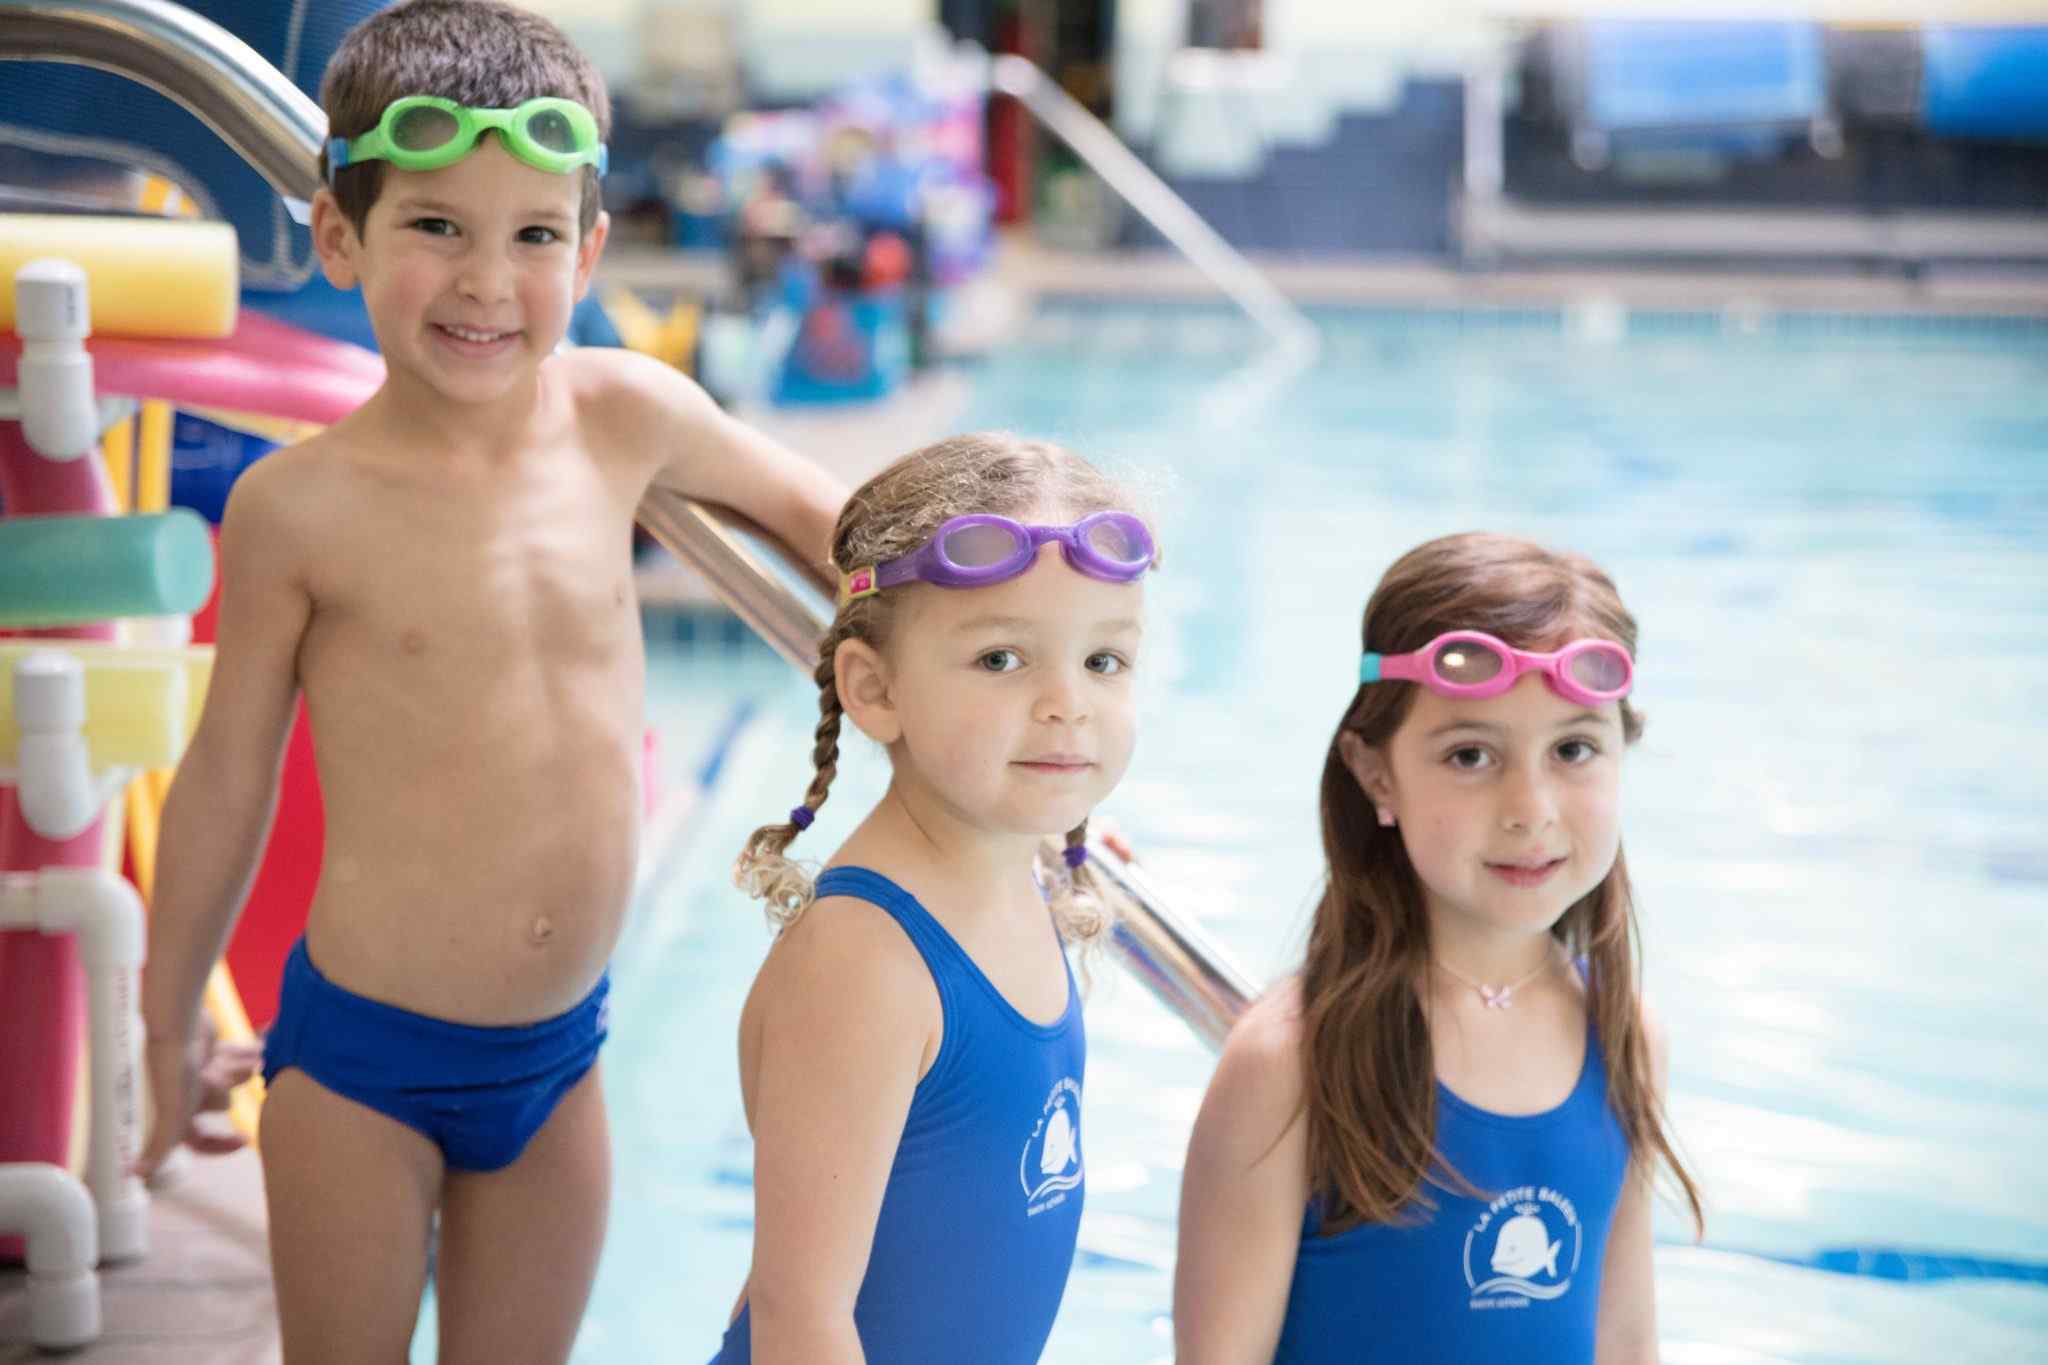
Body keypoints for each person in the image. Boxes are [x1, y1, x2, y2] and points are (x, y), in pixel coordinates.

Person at [134, 2, 847, 1360]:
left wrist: (994, 626)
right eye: (436, 228)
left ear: (586, 250)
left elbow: (831, 523)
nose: (485, 281)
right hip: (359, 1071)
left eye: (531, 236)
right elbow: (226, 774)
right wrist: (168, 1024)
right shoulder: (302, 506)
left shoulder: (623, 416)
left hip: (558, 1061)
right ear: (341, 238)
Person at [1174, 532, 1704, 1364]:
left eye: (1573, 749)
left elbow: (1625, 1342)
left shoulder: (1624, 1035)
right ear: (1377, 774)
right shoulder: (1289, 1061)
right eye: (1470, 754)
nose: (1529, 807)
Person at [711, 432, 1157, 1364]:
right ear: (875, 691)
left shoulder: (1013, 867)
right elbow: (800, 1318)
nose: (1066, 705)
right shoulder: (867, 963)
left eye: (1103, 662)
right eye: (1002, 659)